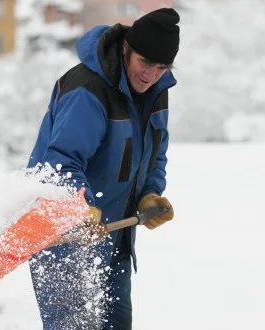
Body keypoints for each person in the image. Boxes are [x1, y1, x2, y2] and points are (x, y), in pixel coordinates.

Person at [26, 7, 180, 330]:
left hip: (115, 240)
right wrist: (79, 208)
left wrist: (150, 193)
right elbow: (60, 162)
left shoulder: (156, 92)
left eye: (161, 66)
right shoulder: (88, 90)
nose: (151, 74)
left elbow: (156, 151)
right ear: (126, 49)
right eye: (145, 62)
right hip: (64, 240)